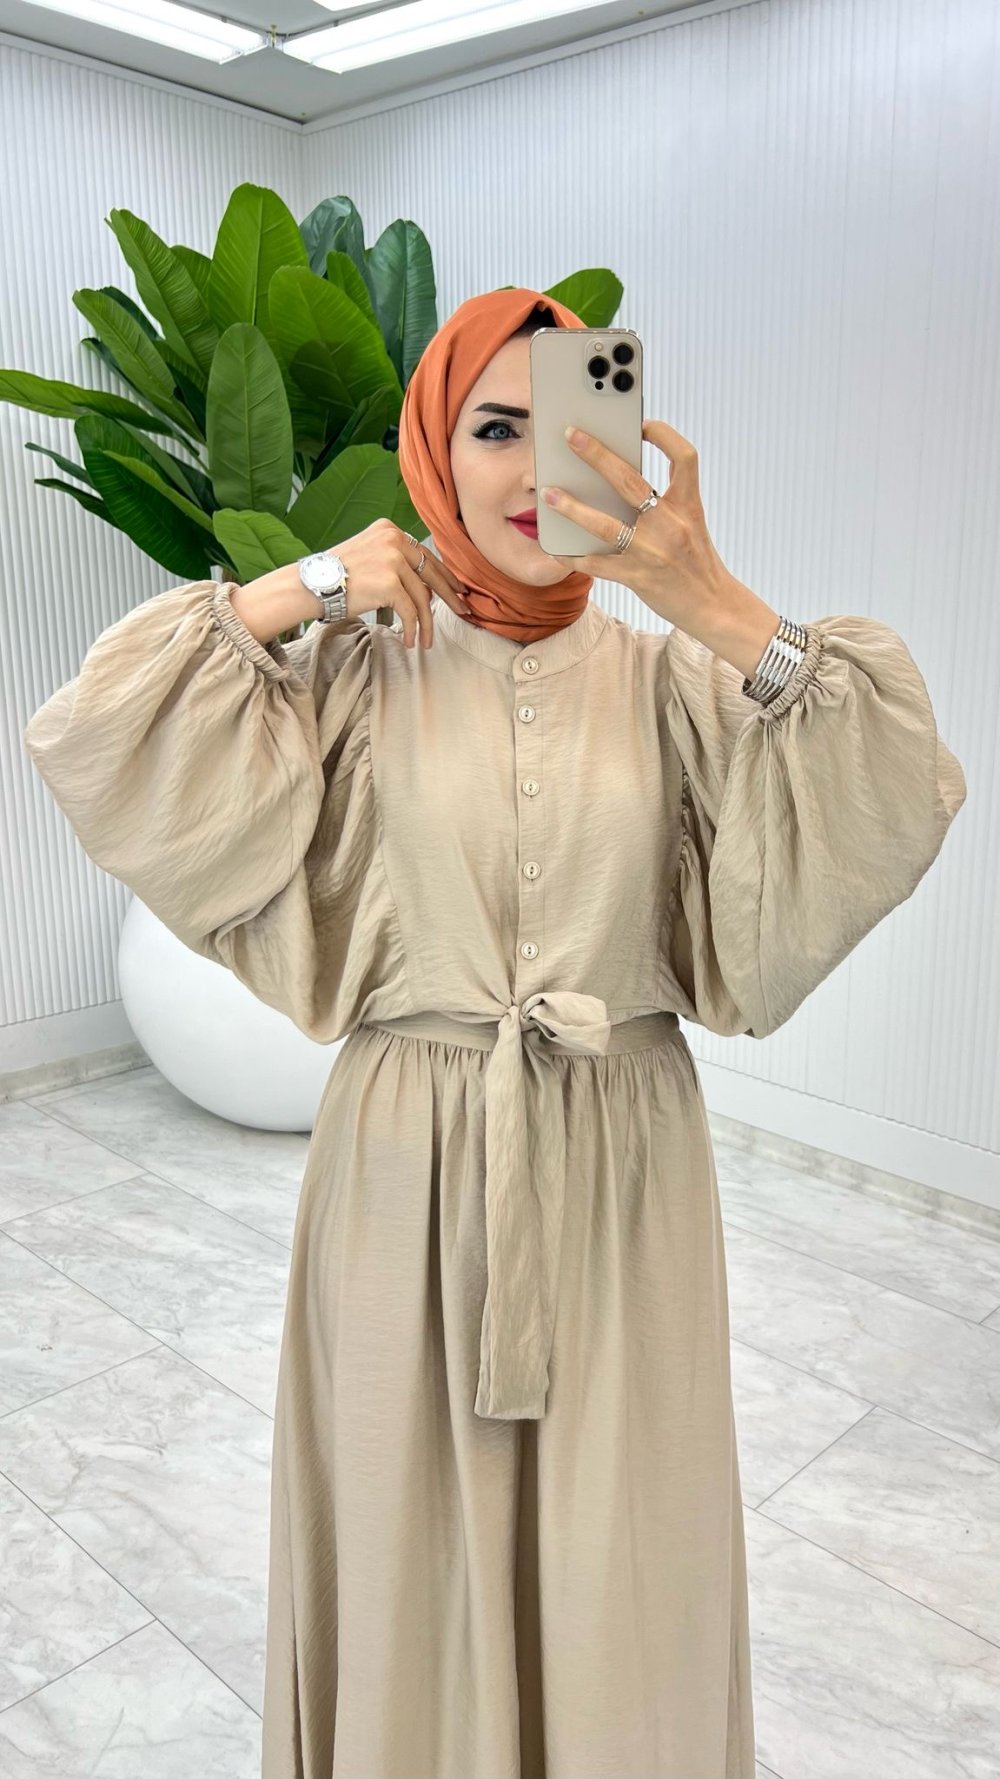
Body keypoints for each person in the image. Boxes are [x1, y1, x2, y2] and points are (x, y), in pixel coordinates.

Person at [22, 286, 967, 1779]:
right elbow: (95, 736)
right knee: (407, 1532)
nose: (534, 470)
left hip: (623, 1176)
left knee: (626, 1546)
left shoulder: (677, 681)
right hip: (404, 1167)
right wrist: (304, 585)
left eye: (571, 424)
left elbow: (896, 780)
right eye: (495, 428)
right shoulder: (353, 671)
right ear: (432, 454)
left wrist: (714, 599)